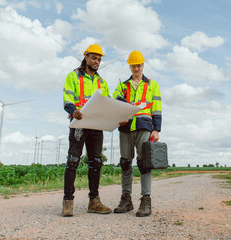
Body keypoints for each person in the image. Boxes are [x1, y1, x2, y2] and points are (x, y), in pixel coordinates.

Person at [61, 44, 111, 217]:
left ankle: (94, 201)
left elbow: (107, 104)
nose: (97, 61)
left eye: (99, 59)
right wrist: (73, 111)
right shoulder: (72, 76)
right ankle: (68, 202)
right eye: (94, 58)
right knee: (73, 160)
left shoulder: (102, 82)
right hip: (79, 124)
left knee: (96, 162)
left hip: (96, 126)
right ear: (86, 57)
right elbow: (67, 100)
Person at [112, 51, 162, 217]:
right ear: (130, 66)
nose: (136, 68)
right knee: (125, 162)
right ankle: (126, 199)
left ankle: (146, 199)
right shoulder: (122, 86)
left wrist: (156, 129)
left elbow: (156, 108)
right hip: (126, 127)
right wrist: (122, 114)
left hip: (145, 126)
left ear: (143, 65)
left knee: (144, 162)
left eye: (138, 65)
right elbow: (115, 102)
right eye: (133, 65)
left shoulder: (152, 85)